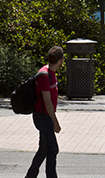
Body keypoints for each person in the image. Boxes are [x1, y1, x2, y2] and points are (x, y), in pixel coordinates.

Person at [26, 46, 64, 178]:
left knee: (44, 149)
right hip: (43, 117)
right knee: (53, 149)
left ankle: (30, 175)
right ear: (60, 60)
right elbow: (47, 101)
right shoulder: (44, 76)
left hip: (45, 116)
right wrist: (55, 122)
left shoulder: (49, 73)